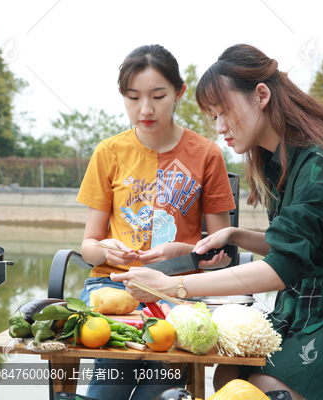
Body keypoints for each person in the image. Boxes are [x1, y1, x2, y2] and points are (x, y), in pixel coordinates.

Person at [111, 44, 323, 400]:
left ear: (261, 95)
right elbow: (302, 246)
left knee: (261, 386)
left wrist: (173, 287)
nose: (219, 128)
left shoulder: (321, 162)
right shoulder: (277, 159)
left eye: (224, 113)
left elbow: (283, 267)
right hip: (313, 303)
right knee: (229, 373)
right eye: (213, 117)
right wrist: (235, 235)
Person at [76, 44, 235, 400]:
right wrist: (105, 251)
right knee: (111, 382)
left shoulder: (207, 154)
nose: (145, 109)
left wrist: (184, 252)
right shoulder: (108, 153)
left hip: (177, 289)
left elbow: (222, 246)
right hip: (115, 285)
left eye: (158, 96)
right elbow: (88, 247)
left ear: (178, 92)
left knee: (159, 386)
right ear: (122, 96)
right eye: (133, 97)